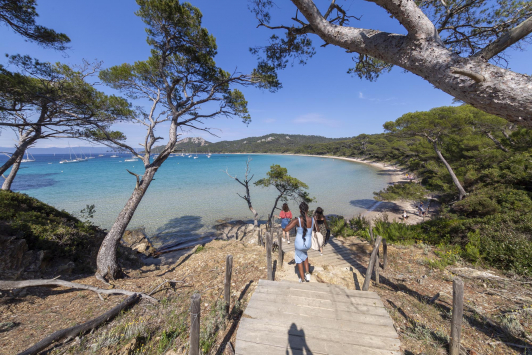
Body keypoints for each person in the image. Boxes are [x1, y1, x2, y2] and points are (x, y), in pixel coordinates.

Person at [283, 202, 314, 282]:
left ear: (300, 210)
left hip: (299, 244)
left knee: (299, 259)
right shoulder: (313, 220)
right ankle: (307, 274)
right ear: (307, 210)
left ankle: (302, 279)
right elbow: (317, 229)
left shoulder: (297, 220)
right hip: (308, 244)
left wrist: (291, 221)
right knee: (305, 255)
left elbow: (286, 229)